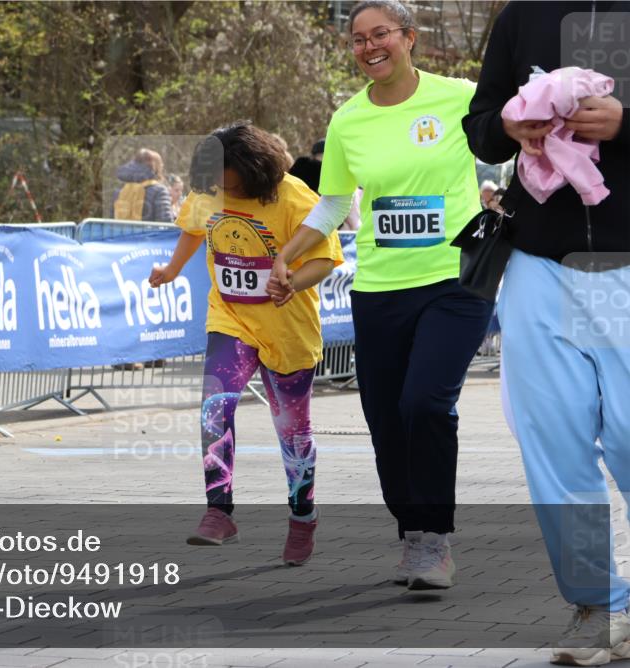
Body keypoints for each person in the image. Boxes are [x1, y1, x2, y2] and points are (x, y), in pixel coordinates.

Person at [267, 0, 494, 590]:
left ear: (409, 38)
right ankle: (412, 532)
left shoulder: (460, 95)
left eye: (381, 34)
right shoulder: (348, 120)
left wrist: (515, 204)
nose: (370, 46)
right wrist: (286, 257)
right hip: (380, 290)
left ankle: (433, 540)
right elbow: (335, 202)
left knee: (425, 403)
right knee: (386, 419)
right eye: (358, 38)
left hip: (456, 280)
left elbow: (515, 142)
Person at [462, 1, 630, 664]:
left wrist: (624, 122)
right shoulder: (520, 15)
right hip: (538, 262)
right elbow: (480, 130)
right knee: (552, 442)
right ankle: (600, 610)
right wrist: (507, 122)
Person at [150, 121, 343, 565]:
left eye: (227, 179)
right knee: (214, 406)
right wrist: (173, 269)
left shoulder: (295, 198)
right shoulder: (207, 192)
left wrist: (292, 281)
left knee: (293, 434)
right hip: (231, 318)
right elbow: (194, 229)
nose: (218, 186)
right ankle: (219, 510)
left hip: (287, 328)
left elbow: (325, 259)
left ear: (253, 171)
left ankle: (302, 517)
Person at [111, 148, 173, 222]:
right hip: (150, 233)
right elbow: (165, 222)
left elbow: (112, 220)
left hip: (123, 233)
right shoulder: (159, 191)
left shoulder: (120, 190)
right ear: (156, 167)